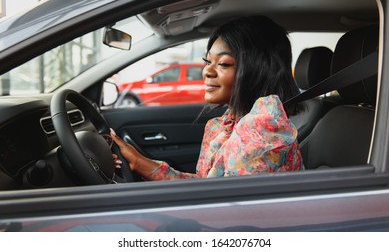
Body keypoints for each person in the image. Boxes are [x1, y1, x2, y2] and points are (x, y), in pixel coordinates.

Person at [110, 15, 304, 181]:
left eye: (224, 63)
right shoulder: (230, 123)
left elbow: (220, 206)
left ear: (259, 69)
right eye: (207, 61)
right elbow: (206, 187)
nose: (206, 72)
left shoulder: (264, 129)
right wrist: (139, 163)